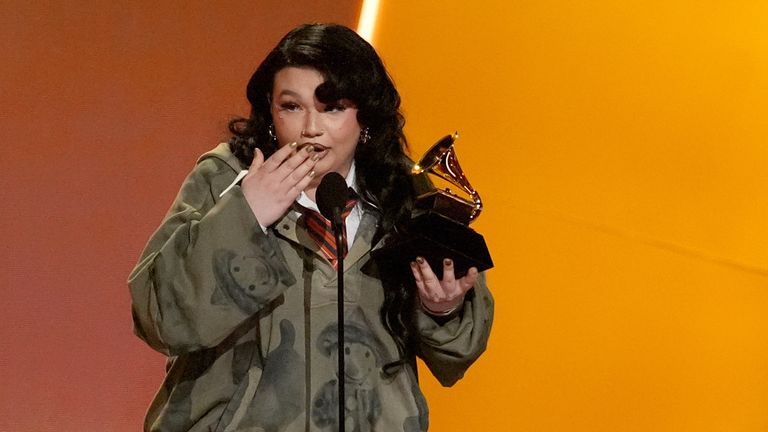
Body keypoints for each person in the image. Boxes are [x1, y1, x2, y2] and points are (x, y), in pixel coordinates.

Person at [128, 23, 493, 432]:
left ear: (365, 116)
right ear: (270, 113)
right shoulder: (226, 179)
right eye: (291, 106)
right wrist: (247, 214)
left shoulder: (403, 194)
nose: (310, 128)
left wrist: (440, 309)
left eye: (331, 107)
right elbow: (160, 318)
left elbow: (458, 352)